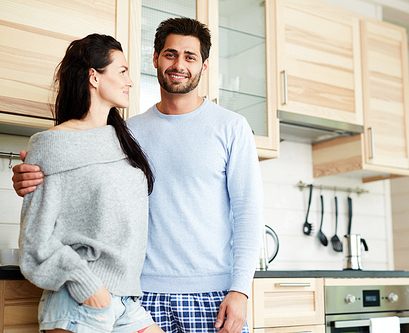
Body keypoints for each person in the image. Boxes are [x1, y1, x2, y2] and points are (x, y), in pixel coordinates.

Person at [13, 18, 264, 333]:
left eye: (190, 57)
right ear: (156, 58)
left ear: (205, 65)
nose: (179, 64)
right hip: (141, 294)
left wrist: (240, 289)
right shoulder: (126, 133)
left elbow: (248, 213)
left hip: (212, 294)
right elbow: (72, 173)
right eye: (171, 54)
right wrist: (31, 178)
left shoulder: (232, 127)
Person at [18, 33, 164, 333]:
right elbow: (36, 240)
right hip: (81, 299)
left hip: (124, 301)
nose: (130, 81)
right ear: (93, 77)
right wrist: (87, 286)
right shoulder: (53, 145)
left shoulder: (122, 141)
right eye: (122, 71)